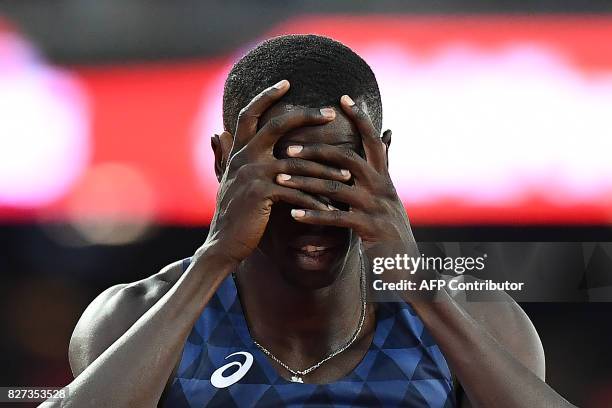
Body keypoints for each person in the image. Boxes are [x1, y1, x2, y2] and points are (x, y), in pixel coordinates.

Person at [44, 34, 574, 407]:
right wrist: (213, 260)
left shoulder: (474, 319)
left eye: (337, 174)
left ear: (380, 161)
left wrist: (417, 288)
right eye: (285, 177)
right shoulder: (134, 317)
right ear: (223, 162)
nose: (312, 216)